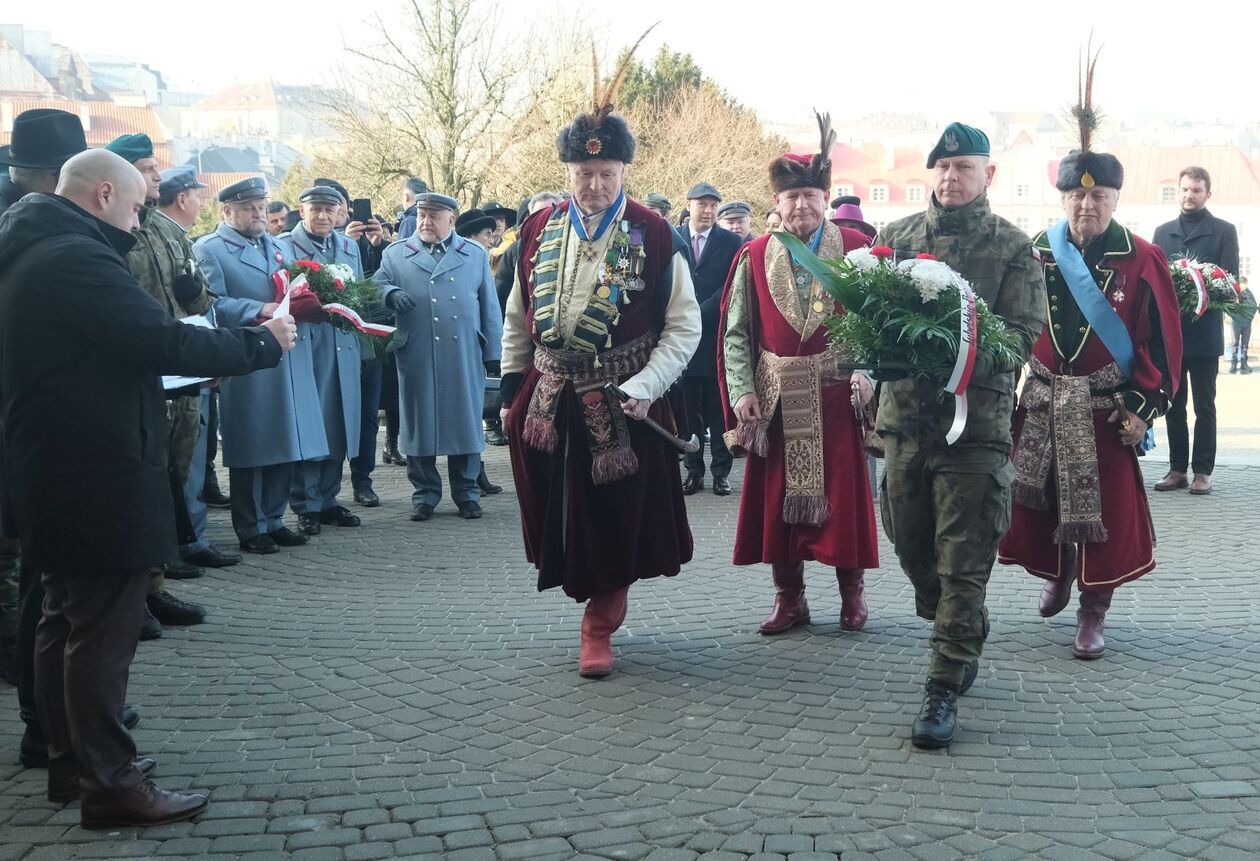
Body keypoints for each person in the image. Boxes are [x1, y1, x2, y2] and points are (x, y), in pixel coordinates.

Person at [0, 148, 296, 827]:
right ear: (104, 193)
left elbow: (115, 346)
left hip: (52, 461)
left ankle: (70, 759)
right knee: (103, 629)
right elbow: (158, 339)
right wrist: (264, 344)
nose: (139, 221)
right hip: (93, 467)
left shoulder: (32, 241)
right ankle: (111, 781)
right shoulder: (74, 256)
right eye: (136, 206)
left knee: (61, 615)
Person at [499, 88, 701, 679]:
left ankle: (599, 624)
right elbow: (517, 316)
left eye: (606, 173)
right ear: (568, 171)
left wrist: (646, 387)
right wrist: (513, 391)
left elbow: (683, 328)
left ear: (624, 171)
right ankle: (587, 598)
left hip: (623, 402)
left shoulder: (656, 234)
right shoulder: (537, 228)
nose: (595, 185)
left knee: (613, 519)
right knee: (559, 513)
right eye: (584, 173)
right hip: (546, 398)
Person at [876, 122, 1047, 749]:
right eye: (942, 167)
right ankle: (960, 621)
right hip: (902, 426)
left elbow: (1024, 337)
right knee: (911, 547)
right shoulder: (896, 241)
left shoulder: (1011, 248)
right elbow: (872, 318)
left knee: (963, 560)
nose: (951, 178)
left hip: (975, 432)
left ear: (988, 175)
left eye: (964, 168)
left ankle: (943, 685)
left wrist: (955, 354)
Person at [999, 90, 1182, 668]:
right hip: (1044, 400)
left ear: (1114, 199)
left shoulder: (1143, 258)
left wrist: (1141, 408)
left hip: (1107, 406)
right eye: (1076, 195)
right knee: (1042, 501)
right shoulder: (1036, 253)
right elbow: (1008, 325)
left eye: (1097, 195)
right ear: (1062, 198)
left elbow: (1164, 346)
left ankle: (1093, 608)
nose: (1086, 206)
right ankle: (1057, 574)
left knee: (1105, 515)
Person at [718, 114, 879, 646]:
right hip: (777, 402)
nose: (802, 206)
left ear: (825, 198)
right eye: (792, 198)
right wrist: (741, 388)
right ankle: (790, 597)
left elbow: (879, 324)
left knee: (843, 503)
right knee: (777, 509)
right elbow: (737, 332)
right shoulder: (756, 253)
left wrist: (866, 372)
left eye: (812, 195)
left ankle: (851, 594)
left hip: (837, 400)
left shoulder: (856, 248)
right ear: (778, 202)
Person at [110, 137, 214, 643]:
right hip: (142, 373)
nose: (157, 178)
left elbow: (196, 293)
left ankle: (155, 582)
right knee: (143, 484)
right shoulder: (116, 230)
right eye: (147, 170)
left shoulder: (170, 233)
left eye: (155, 169)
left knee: (172, 477)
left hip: (180, 374)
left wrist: (198, 297)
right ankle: (135, 593)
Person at [194, 177, 327, 553]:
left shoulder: (275, 245)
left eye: (260, 205)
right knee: (253, 442)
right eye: (248, 207)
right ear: (226, 211)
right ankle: (251, 528)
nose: (257, 213)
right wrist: (257, 308)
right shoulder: (211, 249)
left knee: (285, 438)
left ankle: (275, 517)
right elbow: (211, 304)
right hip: (247, 356)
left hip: (284, 353)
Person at [374, 193, 503, 521]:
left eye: (434, 216)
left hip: (462, 353)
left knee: (464, 423)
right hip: (416, 350)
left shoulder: (474, 254)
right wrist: (390, 293)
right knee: (419, 424)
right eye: (421, 215)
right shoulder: (396, 254)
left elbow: (489, 304)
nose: (426, 222)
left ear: (451, 219)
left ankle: (467, 492)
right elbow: (374, 287)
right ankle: (425, 493)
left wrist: (494, 354)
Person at [279, 185, 365, 534]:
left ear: (341, 212)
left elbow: (357, 292)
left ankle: (329, 499)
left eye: (331, 210)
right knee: (309, 421)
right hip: (305, 343)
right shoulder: (283, 245)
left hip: (342, 343)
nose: (323, 216)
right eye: (316, 209)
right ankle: (306, 504)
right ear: (302, 211)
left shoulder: (349, 246)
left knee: (339, 421)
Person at [1152, 167, 1240, 496]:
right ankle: (1177, 469)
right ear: (1179, 191)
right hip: (1171, 336)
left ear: (1208, 194)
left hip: (1204, 336)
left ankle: (1202, 471)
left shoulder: (1223, 230)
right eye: (1185, 189)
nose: (1190, 195)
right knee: (1173, 404)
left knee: (1204, 406)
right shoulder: (1163, 232)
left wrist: (1199, 283)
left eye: (1197, 190)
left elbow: (1230, 283)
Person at [680, 182, 742, 496]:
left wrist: (702, 309)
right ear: (688, 204)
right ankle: (693, 471)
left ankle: (721, 472)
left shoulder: (730, 241)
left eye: (713, 205)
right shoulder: (674, 237)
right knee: (689, 409)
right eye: (702, 204)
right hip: (680, 338)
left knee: (719, 410)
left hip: (715, 333)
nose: (707, 210)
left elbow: (732, 284)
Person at [1229, 276, 1255, 374]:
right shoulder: (1235, 293)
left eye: (1246, 284)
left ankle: (1244, 365)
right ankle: (1233, 365)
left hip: (1247, 324)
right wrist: (1234, 315)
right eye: (1244, 284)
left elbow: (1253, 306)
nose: (1245, 286)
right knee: (1234, 344)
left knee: (1245, 345)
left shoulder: (1249, 293)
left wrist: (1249, 318)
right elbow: (1230, 307)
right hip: (1236, 323)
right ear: (1240, 284)